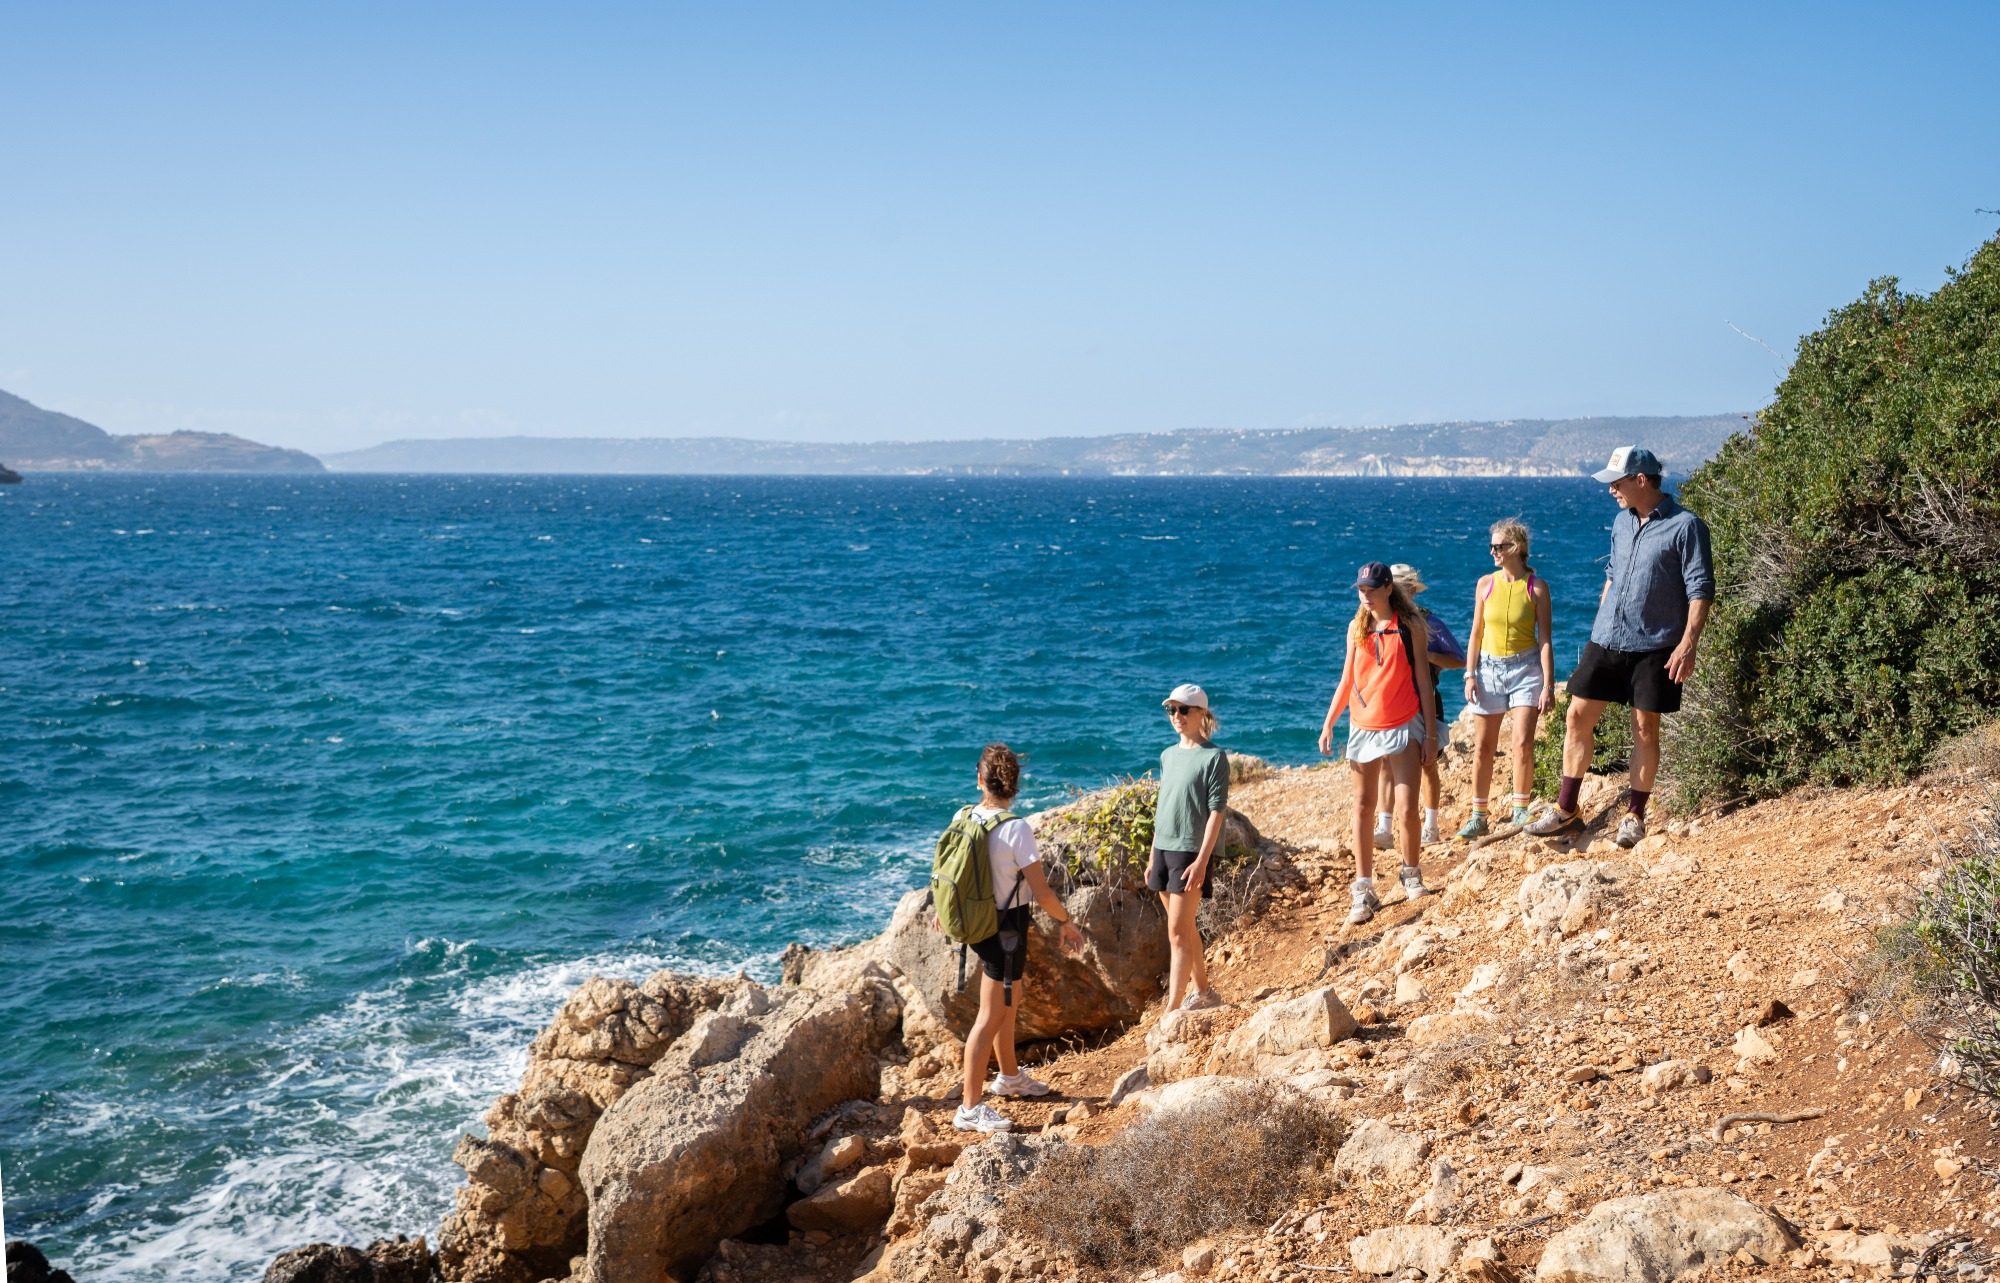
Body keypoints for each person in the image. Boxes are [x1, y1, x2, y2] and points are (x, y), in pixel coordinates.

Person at [1525, 447, 1714, 848]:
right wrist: (1601, 614)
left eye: (1617, 481)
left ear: (1641, 479)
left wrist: (1688, 644)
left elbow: (1700, 589)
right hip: (1608, 637)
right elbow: (1613, 573)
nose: (1611, 489)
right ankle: (1566, 809)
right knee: (1577, 716)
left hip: (1657, 645)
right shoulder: (1620, 523)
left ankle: (1635, 815)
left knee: (1645, 728)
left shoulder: (1686, 526)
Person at [949, 743, 1085, 1134]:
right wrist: (1066, 922)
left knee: (1010, 998)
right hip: (1005, 926)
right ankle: (970, 1108)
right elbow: (1041, 891)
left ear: (980, 779)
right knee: (990, 1015)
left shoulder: (964, 816)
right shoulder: (1015, 829)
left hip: (976, 921)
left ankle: (1009, 1076)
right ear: (1015, 784)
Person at [1318, 562, 1440, 925]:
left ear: (1388, 588)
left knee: (1405, 808)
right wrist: (1328, 724)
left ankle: (1412, 872)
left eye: (1371, 589)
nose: (1365, 595)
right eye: (1361, 589)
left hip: (1404, 724)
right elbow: (1346, 679)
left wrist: (1430, 734)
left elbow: (1423, 681)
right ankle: (1363, 887)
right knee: (1362, 807)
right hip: (1363, 726)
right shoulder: (1357, 627)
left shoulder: (1411, 626)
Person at [1458, 520, 1555, 837]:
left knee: (1523, 742)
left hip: (1526, 670)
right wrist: (1470, 674)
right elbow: (1476, 633)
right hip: (1488, 670)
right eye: (1492, 546)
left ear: (1516, 549)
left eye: (1498, 546)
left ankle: (1520, 811)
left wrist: (1548, 685)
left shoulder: (1536, 588)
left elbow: (1545, 640)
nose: (1493, 552)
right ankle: (1478, 815)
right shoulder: (1485, 584)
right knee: (1484, 747)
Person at [1151, 683, 1229, 1014]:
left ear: (1202, 714)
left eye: (1184, 710)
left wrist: (1202, 860)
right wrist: (1152, 854)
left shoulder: (1214, 757)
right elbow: (1163, 806)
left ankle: (1172, 1008)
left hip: (1189, 852)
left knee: (1177, 933)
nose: (1177, 716)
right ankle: (1205, 993)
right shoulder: (1168, 755)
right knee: (1184, 928)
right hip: (1163, 849)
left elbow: (1216, 813)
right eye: (1172, 710)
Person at [1376, 565, 1465, 846]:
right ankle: (1385, 828)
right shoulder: (1381, 621)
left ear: (1412, 590)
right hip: (1391, 701)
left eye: (1400, 587)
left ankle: (1431, 825)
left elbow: (1458, 659)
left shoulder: (1429, 622)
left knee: (1429, 764)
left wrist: (1425, 654)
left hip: (1425, 700)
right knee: (1386, 763)